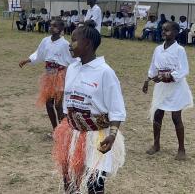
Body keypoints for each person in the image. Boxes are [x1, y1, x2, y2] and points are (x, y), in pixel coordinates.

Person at [53, 20, 126, 193]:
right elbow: (67, 103)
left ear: (88, 44)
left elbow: (117, 110)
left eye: (74, 40)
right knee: (70, 181)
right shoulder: (72, 68)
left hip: (96, 136)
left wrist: (113, 136)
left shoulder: (104, 72)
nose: (70, 45)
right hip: (72, 133)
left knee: (94, 184)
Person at [142, 21, 193, 161]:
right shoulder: (158, 49)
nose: (164, 32)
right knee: (157, 114)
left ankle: (181, 149)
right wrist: (148, 80)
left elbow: (184, 70)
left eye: (167, 30)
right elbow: (153, 66)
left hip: (176, 88)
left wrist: (168, 75)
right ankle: (156, 144)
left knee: (176, 117)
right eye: (163, 30)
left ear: (176, 33)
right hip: (161, 87)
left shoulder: (179, 50)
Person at [19, 19, 75, 132]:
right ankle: (55, 129)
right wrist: (28, 60)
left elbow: (74, 60)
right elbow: (39, 54)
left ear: (60, 30)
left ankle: (63, 131)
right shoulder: (45, 41)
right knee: (49, 104)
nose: (51, 27)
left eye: (54, 26)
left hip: (60, 76)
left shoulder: (65, 44)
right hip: (48, 75)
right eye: (51, 25)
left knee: (59, 106)